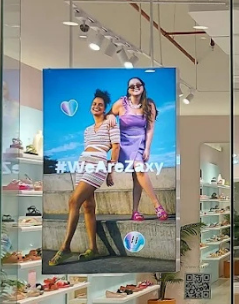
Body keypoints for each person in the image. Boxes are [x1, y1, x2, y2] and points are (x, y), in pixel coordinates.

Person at [50, 90, 120, 266]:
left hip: (98, 164)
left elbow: (116, 147)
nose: (96, 106)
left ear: (105, 108)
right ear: (91, 108)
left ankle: (65, 247)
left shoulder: (111, 124)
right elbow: (87, 147)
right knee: (88, 206)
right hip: (82, 163)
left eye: (100, 105)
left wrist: (110, 171)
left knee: (74, 201)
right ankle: (93, 248)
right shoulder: (87, 130)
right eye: (94, 104)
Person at [111, 76, 167, 222]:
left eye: (138, 84)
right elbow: (108, 118)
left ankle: (135, 211)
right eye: (131, 86)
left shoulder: (149, 104)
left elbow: (150, 128)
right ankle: (157, 206)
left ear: (143, 86)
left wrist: (147, 148)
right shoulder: (120, 104)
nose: (135, 87)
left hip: (140, 143)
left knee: (138, 177)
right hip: (125, 143)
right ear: (128, 90)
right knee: (139, 171)